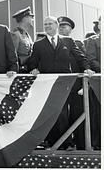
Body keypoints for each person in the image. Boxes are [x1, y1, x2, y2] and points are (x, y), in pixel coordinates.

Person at [28, 16, 94, 149]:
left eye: (49, 24)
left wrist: (87, 68)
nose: (47, 26)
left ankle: (66, 142)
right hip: (48, 83)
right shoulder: (39, 44)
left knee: (64, 112)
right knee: (53, 112)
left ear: (56, 25)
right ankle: (55, 142)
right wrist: (33, 69)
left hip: (65, 82)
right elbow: (32, 63)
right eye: (45, 24)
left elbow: (80, 57)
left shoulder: (68, 41)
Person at [58, 16, 85, 150]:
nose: (61, 28)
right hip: (61, 86)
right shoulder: (54, 44)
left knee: (77, 114)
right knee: (61, 115)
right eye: (60, 26)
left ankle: (81, 143)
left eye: (64, 26)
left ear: (71, 29)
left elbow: (83, 62)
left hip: (76, 87)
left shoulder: (78, 43)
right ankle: (65, 143)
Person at [85, 16, 101, 150]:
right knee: (98, 112)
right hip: (98, 82)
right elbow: (90, 59)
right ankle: (98, 143)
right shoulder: (93, 41)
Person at [11, 6, 34, 73]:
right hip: (19, 71)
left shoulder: (27, 35)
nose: (32, 19)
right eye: (31, 17)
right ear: (25, 19)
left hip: (27, 70)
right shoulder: (16, 34)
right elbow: (12, 55)